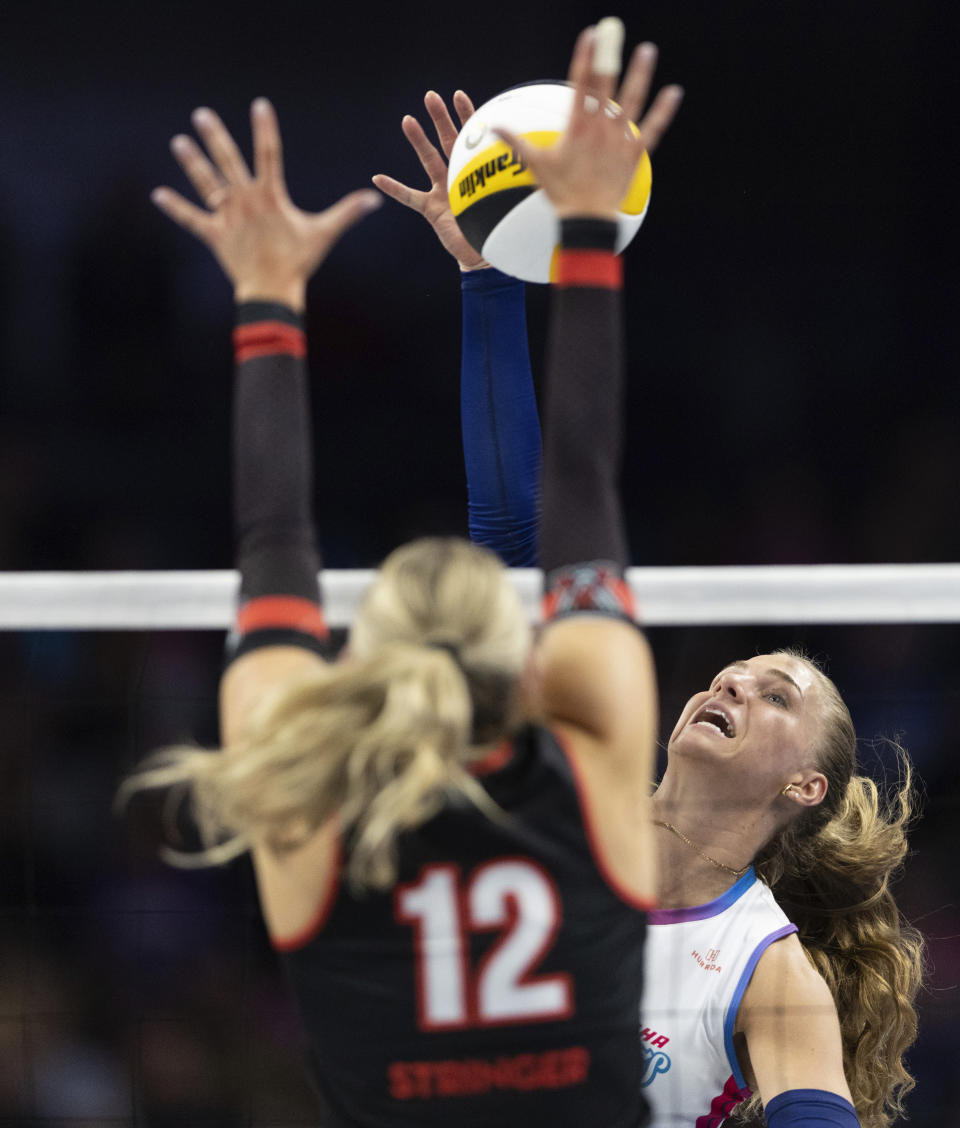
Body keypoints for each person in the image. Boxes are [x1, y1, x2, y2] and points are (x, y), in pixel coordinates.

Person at [124, 26, 662, 1128]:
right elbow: (283, 542)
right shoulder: (320, 797)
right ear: (519, 662)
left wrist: (527, 260)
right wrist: (277, 298)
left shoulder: (334, 817)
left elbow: (551, 512)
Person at [374, 51, 924, 1128]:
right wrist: (484, 279)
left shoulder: (770, 976)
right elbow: (519, 541)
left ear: (802, 788)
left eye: (779, 696)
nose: (735, 681)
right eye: (742, 669)